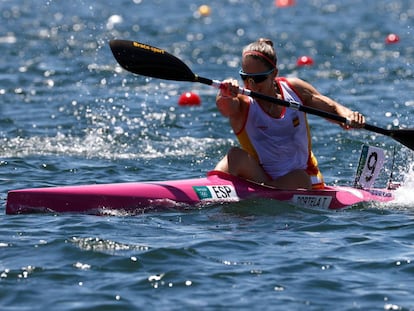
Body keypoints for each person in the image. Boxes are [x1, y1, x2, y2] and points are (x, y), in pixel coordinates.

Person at [214, 38, 365, 190]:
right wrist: (225, 92)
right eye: (245, 78)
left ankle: (258, 192)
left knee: (299, 178)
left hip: (304, 179)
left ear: (274, 73)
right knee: (234, 157)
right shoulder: (241, 102)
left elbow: (332, 108)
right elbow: (224, 106)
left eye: (259, 79)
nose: (251, 85)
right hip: (261, 177)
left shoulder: (294, 89)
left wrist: (348, 117)